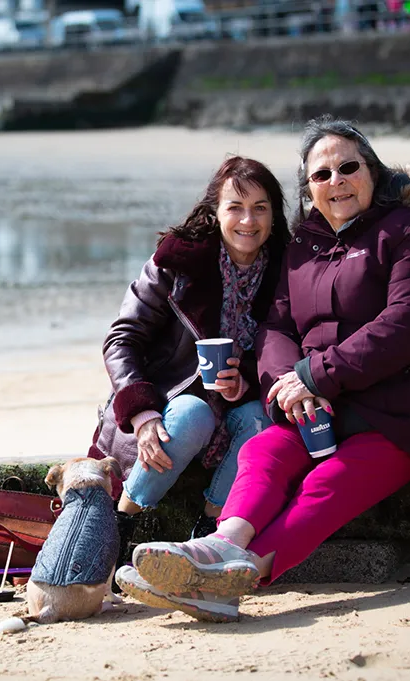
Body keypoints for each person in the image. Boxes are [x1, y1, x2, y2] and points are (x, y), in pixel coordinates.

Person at [116, 115, 410, 623]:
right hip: (325, 408)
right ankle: (216, 550)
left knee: (328, 481)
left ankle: (238, 577)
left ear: (372, 172)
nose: (336, 182)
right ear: (308, 190)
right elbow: (276, 328)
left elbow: (408, 323)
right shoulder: (304, 244)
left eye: (347, 167)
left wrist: (316, 375)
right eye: (320, 175)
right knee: (264, 448)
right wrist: (289, 384)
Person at [87, 156, 289, 571]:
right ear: (215, 212)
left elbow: (289, 343)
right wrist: (141, 413)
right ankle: (121, 527)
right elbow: (121, 339)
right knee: (193, 415)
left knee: (261, 423)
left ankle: (207, 535)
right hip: (169, 398)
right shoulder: (177, 263)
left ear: (274, 214)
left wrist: (246, 380)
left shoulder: (287, 270)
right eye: (235, 206)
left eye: (260, 208)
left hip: (235, 406)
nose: (247, 221)